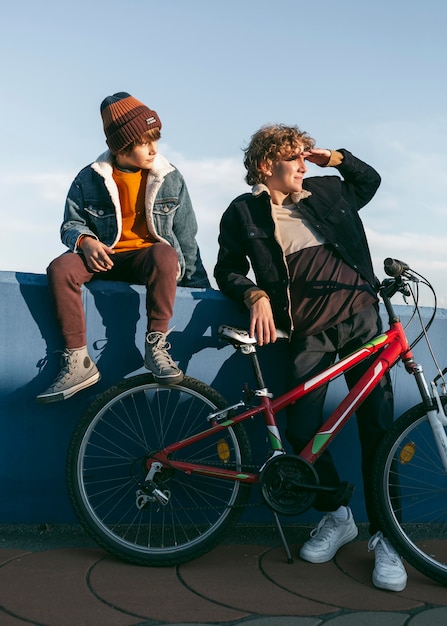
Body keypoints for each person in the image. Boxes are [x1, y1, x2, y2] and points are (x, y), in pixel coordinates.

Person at [214, 123, 407, 592]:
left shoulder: (326, 191)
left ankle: (388, 539)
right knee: (303, 433)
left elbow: (370, 182)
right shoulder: (244, 212)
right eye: (293, 157)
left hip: (361, 320)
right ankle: (337, 515)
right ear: (266, 165)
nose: (302, 165)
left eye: (304, 157)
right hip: (306, 333)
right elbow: (226, 268)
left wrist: (333, 157)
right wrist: (254, 293)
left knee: (378, 427)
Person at [37, 92, 210, 404]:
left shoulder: (169, 177)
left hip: (147, 259)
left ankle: (155, 346)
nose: (153, 149)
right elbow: (70, 224)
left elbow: (187, 237)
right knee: (60, 267)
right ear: (121, 146)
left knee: (165, 253)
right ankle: (78, 361)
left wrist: (202, 289)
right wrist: (85, 242)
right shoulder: (90, 177)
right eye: (145, 142)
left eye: (156, 139)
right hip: (104, 257)